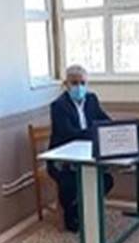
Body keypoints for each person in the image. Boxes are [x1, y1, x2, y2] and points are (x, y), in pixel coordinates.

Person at [47, 64, 113, 233]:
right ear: (66, 84)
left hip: (87, 154)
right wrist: (93, 132)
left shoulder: (91, 99)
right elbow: (69, 134)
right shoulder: (58, 106)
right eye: (74, 83)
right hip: (62, 160)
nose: (79, 87)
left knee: (107, 180)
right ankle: (72, 213)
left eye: (82, 83)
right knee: (69, 184)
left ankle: (84, 209)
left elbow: (105, 121)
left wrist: (106, 129)